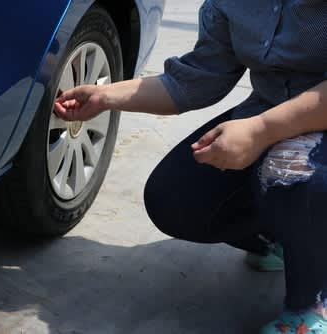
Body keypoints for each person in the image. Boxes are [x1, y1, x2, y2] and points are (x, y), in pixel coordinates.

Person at [54, 1, 327, 333]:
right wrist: (107, 95)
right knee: (174, 199)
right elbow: (197, 80)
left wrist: (260, 131)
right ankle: (290, 242)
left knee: (292, 169)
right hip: (268, 111)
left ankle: (313, 307)